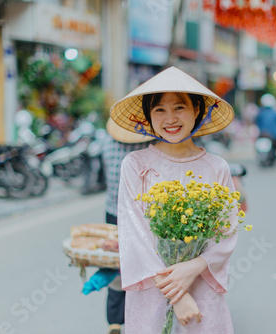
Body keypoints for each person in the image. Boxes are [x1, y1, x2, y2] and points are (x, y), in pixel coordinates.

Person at [110, 66, 239, 333]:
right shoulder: (135, 164)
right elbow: (134, 234)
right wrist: (177, 295)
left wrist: (194, 267)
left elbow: (227, 232)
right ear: (148, 117)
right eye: (159, 110)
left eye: (179, 107)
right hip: (152, 289)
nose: (170, 118)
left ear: (198, 111)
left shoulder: (218, 168)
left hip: (201, 284)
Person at [101, 118, 155, 334]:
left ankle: (114, 321)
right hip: (141, 216)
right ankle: (140, 318)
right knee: (144, 265)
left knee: (117, 265)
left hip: (113, 212)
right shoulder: (148, 148)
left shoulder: (107, 143)